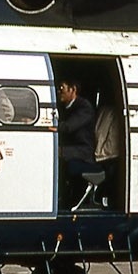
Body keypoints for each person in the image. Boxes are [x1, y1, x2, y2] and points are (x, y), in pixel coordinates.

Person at [56, 78, 97, 206]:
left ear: (73, 89)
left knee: (56, 152)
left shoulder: (84, 107)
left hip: (83, 150)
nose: (59, 92)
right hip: (71, 148)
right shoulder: (65, 107)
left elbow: (69, 126)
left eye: (62, 88)